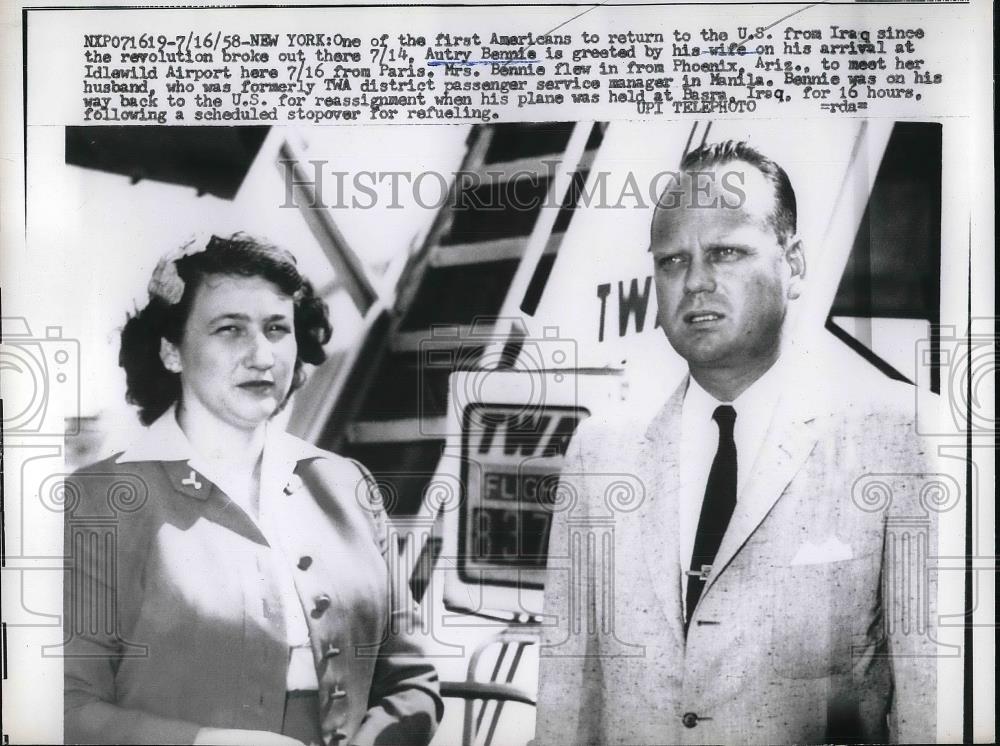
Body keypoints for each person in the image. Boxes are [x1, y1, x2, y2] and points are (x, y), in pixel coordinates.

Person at [535, 142, 940, 744]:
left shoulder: (898, 435)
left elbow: (931, 705)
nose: (696, 281)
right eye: (672, 261)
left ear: (794, 264)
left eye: (726, 251)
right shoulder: (600, 453)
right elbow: (567, 705)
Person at [63, 233, 442, 746]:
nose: (262, 355)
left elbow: (412, 683)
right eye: (230, 329)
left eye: (276, 329)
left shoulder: (348, 487)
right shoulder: (93, 503)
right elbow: (65, 708)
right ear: (171, 351)